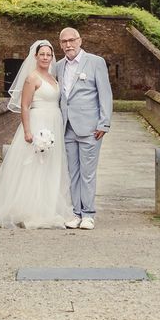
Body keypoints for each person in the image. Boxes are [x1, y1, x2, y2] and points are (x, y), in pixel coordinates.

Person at [0, 39, 74, 229]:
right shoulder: (32, 78)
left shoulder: (53, 78)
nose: (45, 57)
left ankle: (48, 206)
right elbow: (25, 106)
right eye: (42, 54)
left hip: (54, 122)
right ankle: (31, 209)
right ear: (35, 57)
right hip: (38, 123)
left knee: (50, 166)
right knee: (34, 166)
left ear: (52, 57)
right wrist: (28, 131)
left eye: (48, 54)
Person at [54, 25, 112, 230]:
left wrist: (104, 123)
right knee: (73, 173)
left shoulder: (96, 62)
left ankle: (88, 214)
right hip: (67, 127)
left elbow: (105, 94)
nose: (68, 44)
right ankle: (76, 213)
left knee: (88, 173)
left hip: (90, 128)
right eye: (64, 41)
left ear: (80, 41)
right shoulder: (59, 66)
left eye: (72, 40)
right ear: (60, 45)